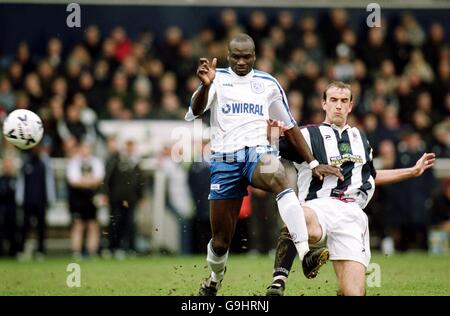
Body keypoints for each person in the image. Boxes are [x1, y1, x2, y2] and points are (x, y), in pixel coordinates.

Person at [185, 33, 342, 296]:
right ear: (228, 55)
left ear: (255, 56)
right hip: (225, 159)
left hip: (257, 154)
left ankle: (305, 253)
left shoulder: (268, 83)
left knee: (278, 175)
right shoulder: (216, 79)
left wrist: (313, 161)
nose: (241, 62)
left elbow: (290, 127)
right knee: (221, 242)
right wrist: (204, 86)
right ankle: (214, 278)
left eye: (247, 57)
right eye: (236, 57)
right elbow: (195, 111)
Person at [265, 81, 436, 296]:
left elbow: (372, 177)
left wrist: (411, 171)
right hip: (319, 206)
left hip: (353, 213)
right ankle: (278, 282)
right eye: (333, 100)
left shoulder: (361, 138)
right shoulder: (307, 135)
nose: (338, 105)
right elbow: (271, 155)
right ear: (323, 104)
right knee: (298, 216)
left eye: (344, 101)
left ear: (351, 106)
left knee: (353, 292)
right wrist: (271, 132)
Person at [67, 142, 104, 259]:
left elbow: (99, 179)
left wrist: (83, 181)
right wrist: (89, 181)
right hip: (77, 199)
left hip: (91, 198)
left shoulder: (96, 162)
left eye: (87, 148)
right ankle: (76, 252)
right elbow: (73, 181)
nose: (85, 151)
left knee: (93, 225)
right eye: (83, 148)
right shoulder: (74, 162)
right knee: (78, 225)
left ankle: (91, 251)